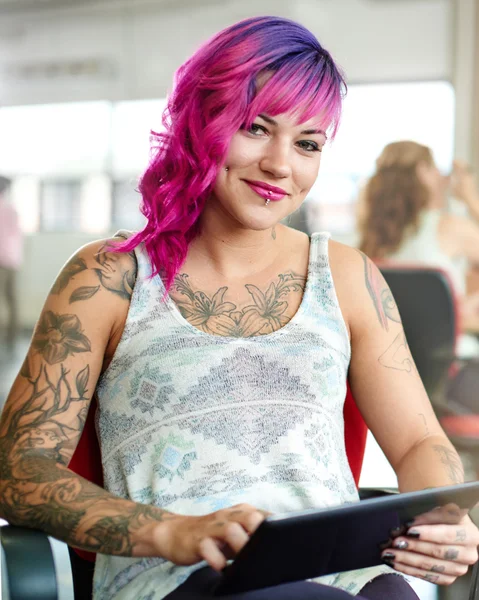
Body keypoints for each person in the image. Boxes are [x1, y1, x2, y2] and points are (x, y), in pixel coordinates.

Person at [0, 17, 478, 600]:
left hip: (344, 576)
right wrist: (168, 530)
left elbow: (417, 443)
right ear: (201, 122)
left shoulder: (349, 277)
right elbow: (19, 470)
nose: (282, 165)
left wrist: (446, 515)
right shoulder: (107, 278)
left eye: (308, 143)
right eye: (256, 128)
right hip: (178, 576)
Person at [357, 141, 479, 358]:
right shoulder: (448, 227)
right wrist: (470, 198)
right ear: (423, 171)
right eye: (435, 169)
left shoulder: (373, 236)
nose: (444, 177)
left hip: (388, 358)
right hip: (447, 359)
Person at [0, 175, 23, 353]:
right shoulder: (13, 209)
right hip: (12, 259)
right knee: (12, 299)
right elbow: (17, 237)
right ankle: (12, 336)